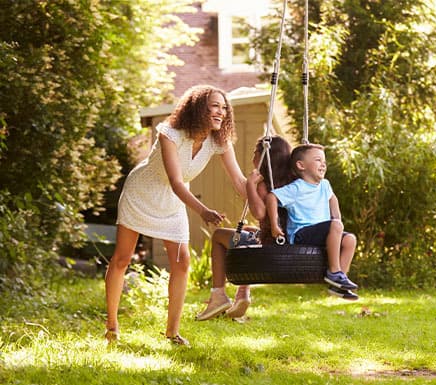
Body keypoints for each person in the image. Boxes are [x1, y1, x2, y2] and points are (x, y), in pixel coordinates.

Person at [104, 85, 248, 346]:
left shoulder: (219, 141)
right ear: (198, 107)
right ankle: (112, 326)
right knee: (122, 258)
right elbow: (175, 181)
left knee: (181, 263)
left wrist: (259, 192)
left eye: (224, 107)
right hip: (143, 192)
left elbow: (239, 181)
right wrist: (203, 211)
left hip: (172, 201)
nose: (221, 112)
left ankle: (172, 333)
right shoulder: (169, 133)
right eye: (214, 106)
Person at [195, 135, 293, 321]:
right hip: (287, 242)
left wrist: (250, 185)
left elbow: (259, 213)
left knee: (218, 236)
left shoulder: (264, 185)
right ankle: (242, 294)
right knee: (247, 228)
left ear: (265, 156)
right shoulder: (290, 181)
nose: (252, 157)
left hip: (269, 246)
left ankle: (218, 295)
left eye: (255, 153)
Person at [266, 143, 359, 301]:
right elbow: (271, 197)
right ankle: (334, 272)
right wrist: (275, 225)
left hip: (322, 233)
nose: (323, 164)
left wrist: (337, 219)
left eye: (324, 161)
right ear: (301, 165)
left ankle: (338, 283)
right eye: (318, 160)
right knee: (336, 226)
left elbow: (332, 198)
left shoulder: (325, 185)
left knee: (350, 239)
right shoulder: (297, 188)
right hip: (302, 234)